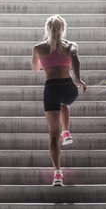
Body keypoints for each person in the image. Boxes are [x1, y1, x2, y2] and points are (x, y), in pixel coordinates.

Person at [32, 14, 87, 186]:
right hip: (69, 89)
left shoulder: (38, 48)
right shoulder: (71, 46)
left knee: (52, 136)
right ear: (63, 29)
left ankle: (57, 174)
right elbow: (76, 61)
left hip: (51, 89)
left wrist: (46, 62)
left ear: (47, 29)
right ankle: (67, 131)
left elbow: (35, 68)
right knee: (64, 102)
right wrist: (78, 79)